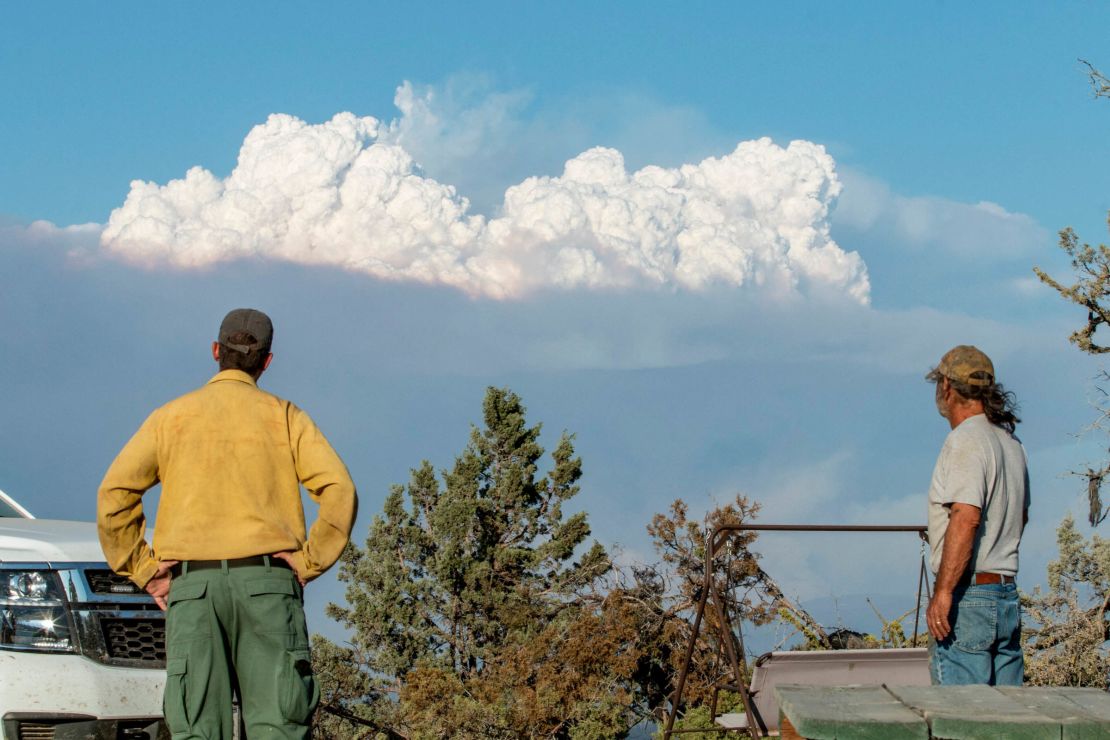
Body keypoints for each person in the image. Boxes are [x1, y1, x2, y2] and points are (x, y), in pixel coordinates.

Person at [97, 308, 358, 739]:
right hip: (269, 586)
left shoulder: (170, 418)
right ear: (267, 361)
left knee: (197, 728)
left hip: (192, 589)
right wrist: (309, 562)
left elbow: (115, 495)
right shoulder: (286, 417)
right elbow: (339, 489)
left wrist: (144, 570)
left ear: (216, 351)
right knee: (280, 726)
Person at [924, 345, 1028, 685]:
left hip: (968, 596)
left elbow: (966, 517)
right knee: (1008, 721)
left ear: (947, 388)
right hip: (1005, 593)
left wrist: (943, 593)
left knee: (962, 720)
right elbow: (1021, 516)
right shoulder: (1011, 443)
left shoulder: (965, 440)